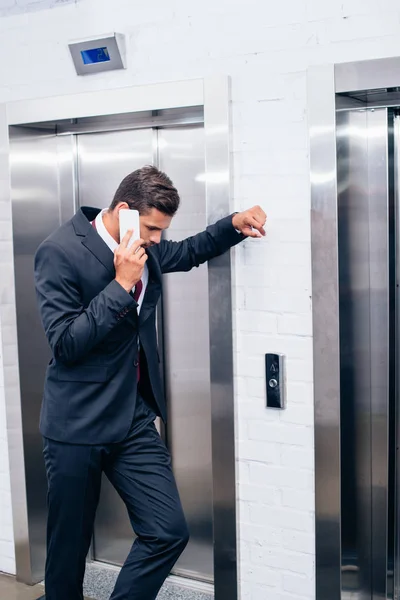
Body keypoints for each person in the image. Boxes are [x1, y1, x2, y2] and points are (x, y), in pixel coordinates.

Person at [34, 165, 266, 600]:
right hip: (75, 424)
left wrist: (234, 224)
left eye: (161, 230)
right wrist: (122, 284)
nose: (157, 239)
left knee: (168, 531)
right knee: (68, 553)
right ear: (123, 211)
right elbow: (65, 343)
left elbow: (188, 250)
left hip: (131, 418)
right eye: (152, 228)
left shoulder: (145, 246)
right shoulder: (59, 251)